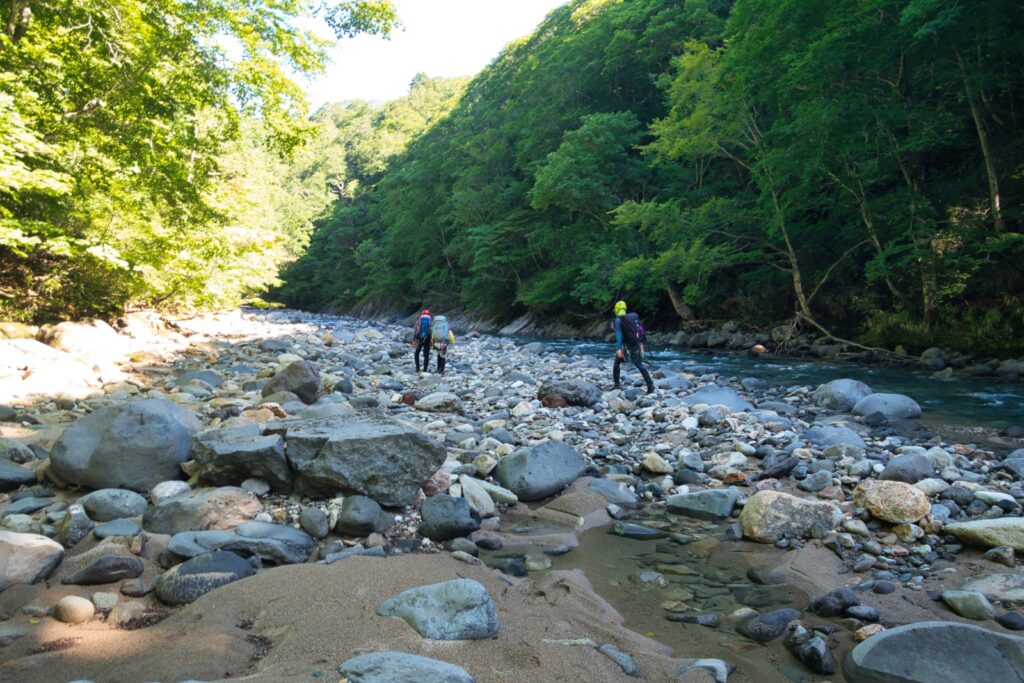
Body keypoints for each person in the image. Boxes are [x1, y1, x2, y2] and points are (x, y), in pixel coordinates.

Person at [612, 300, 654, 393]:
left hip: (625, 345)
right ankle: (650, 385)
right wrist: (641, 344)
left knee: (617, 364)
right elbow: (639, 330)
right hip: (636, 343)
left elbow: (619, 334)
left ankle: (616, 384)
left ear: (616, 310)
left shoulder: (617, 321)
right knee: (638, 364)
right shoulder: (633, 316)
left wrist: (618, 349)